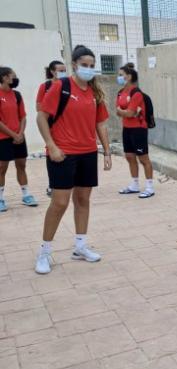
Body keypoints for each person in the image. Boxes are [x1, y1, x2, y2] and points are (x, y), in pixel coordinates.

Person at [34, 45, 112, 275]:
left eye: (91, 66)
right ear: (74, 65)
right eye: (84, 65)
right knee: (59, 203)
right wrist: (52, 146)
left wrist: (106, 151)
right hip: (63, 154)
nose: (88, 69)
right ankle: (44, 252)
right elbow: (41, 118)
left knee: (83, 200)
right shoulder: (61, 86)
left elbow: (101, 123)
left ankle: (80, 247)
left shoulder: (95, 93)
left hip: (87, 153)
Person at [0, 66, 37, 211]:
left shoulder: (17, 95)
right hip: (3, 138)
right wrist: (13, 135)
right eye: (13, 76)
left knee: (21, 165)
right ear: (4, 78)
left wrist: (20, 133)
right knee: (2, 168)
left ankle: (26, 195)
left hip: (19, 138)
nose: (15, 79)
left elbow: (23, 116)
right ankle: (1, 199)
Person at [116, 63, 154, 198]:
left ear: (129, 76)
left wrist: (126, 112)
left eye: (121, 75)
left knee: (143, 158)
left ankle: (150, 187)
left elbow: (130, 113)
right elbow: (118, 111)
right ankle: (134, 185)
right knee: (130, 157)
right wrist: (126, 112)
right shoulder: (120, 93)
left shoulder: (136, 93)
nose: (118, 77)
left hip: (139, 129)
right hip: (127, 129)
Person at [37, 60, 68, 197]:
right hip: (51, 124)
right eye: (60, 70)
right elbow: (39, 108)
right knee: (52, 151)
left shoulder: (67, 85)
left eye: (64, 70)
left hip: (66, 124)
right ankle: (52, 184)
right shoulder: (46, 86)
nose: (63, 73)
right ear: (52, 71)